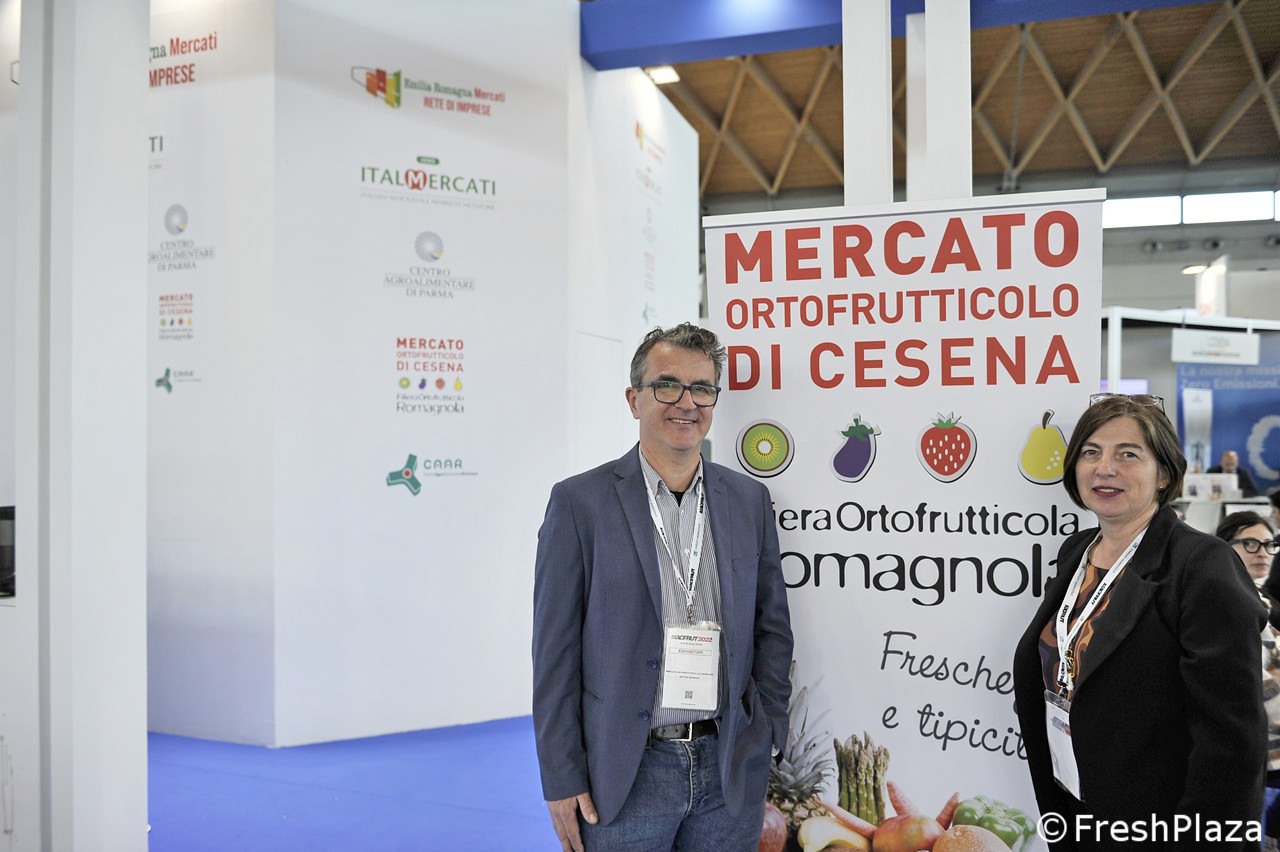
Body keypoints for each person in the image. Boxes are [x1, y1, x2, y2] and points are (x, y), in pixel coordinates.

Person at [532, 323, 793, 852]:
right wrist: (561, 775)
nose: (686, 403)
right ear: (634, 399)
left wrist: (766, 735)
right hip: (625, 774)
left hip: (727, 770)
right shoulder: (580, 504)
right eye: (667, 385)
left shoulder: (748, 500)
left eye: (702, 388)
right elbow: (554, 653)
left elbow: (772, 628)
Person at [1013, 393, 1266, 850]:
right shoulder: (1077, 551)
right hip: (1076, 804)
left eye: (1128, 454)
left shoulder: (1201, 564)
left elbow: (1232, 741)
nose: (1104, 468)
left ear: (1163, 474)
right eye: (1091, 452)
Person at [1216, 511, 1280, 849]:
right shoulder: (1225, 600)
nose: (1263, 553)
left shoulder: (1262, 599)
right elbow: (1249, 680)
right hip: (1259, 754)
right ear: (1224, 547)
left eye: (1269, 544)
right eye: (1250, 543)